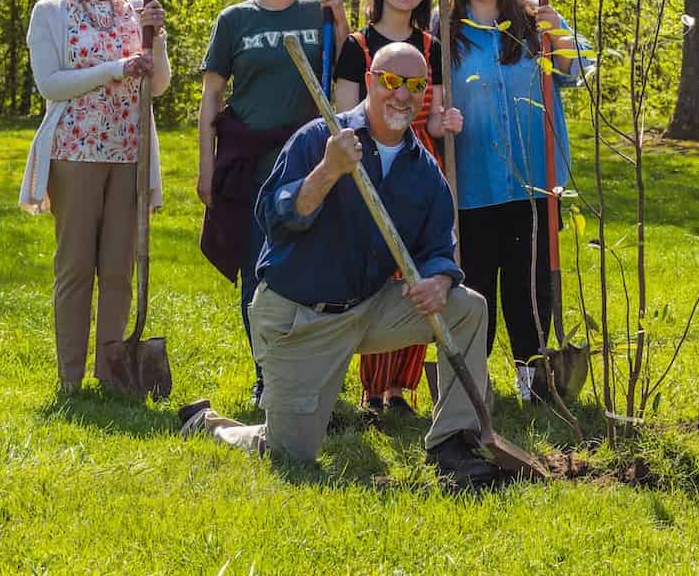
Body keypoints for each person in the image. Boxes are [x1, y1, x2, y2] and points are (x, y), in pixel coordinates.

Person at [177, 42, 503, 488]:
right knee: (288, 453)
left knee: (468, 307)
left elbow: (439, 246)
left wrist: (441, 281)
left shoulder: (424, 171)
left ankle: (453, 443)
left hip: (366, 309)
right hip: (300, 316)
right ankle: (212, 424)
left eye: (414, 85)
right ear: (370, 82)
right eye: (391, 81)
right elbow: (276, 220)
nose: (401, 94)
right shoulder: (319, 139)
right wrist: (328, 171)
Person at [21, 0, 171, 394]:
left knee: (118, 269)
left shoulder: (135, 11)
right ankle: (70, 379)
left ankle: (111, 375)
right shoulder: (50, 12)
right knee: (76, 266)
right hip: (75, 152)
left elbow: (159, 86)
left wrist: (158, 41)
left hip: (131, 152)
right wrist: (117, 68)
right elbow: (51, 84)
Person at [197, 0, 345, 403]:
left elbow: (347, 71)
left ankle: (311, 373)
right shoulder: (234, 20)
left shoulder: (319, 13)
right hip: (249, 165)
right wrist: (205, 168)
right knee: (257, 271)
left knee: (312, 267)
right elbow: (212, 96)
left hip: (307, 161)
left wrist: (340, 19)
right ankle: (267, 375)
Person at [439, 0, 586, 403]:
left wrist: (556, 29)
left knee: (529, 285)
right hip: (474, 178)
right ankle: (474, 381)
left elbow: (577, 70)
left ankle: (534, 378)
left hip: (532, 180)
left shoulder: (533, 21)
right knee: (477, 284)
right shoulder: (448, 30)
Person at [332, 0, 447, 413]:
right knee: (378, 267)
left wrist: (445, 122)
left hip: (421, 159)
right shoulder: (355, 46)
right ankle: (371, 389)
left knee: (418, 268)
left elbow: (433, 115)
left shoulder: (431, 46)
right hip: (371, 158)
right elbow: (345, 113)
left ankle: (402, 386)